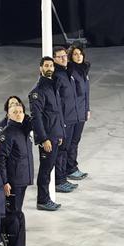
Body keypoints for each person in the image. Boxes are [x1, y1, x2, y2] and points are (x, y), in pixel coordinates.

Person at [0, 96, 34, 246]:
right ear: (8, 115)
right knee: (14, 216)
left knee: (19, 215)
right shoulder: (7, 133)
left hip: (22, 179)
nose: (18, 114)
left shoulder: (23, 130)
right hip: (13, 181)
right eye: (15, 112)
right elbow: (1, 159)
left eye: (20, 111)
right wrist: (5, 182)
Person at [28, 56, 65, 211]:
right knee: (45, 170)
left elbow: (57, 113)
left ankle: (46, 198)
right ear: (40, 68)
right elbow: (36, 118)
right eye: (46, 65)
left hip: (55, 135)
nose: (49, 68)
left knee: (49, 169)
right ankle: (42, 200)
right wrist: (44, 139)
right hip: (47, 138)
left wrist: (60, 134)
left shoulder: (53, 87)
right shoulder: (38, 92)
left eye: (51, 65)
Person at [52, 46, 79, 194]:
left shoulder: (68, 72)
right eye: (60, 57)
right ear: (54, 59)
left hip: (70, 117)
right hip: (63, 120)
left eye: (64, 56)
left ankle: (63, 178)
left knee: (66, 149)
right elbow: (57, 101)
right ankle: (58, 180)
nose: (64, 59)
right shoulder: (57, 75)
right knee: (61, 151)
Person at [67, 44, 90, 182]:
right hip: (71, 114)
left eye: (80, 53)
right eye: (75, 54)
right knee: (69, 142)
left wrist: (87, 109)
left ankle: (72, 167)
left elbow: (86, 93)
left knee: (75, 141)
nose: (78, 56)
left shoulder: (84, 71)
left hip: (81, 112)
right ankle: (69, 168)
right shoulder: (70, 72)